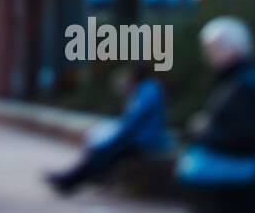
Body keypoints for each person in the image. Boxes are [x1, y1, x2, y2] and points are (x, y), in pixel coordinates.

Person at [177, 17, 255, 213]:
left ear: (233, 48)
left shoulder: (243, 84)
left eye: (213, 48)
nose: (208, 55)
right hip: (234, 180)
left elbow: (246, 134)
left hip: (235, 180)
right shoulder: (240, 81)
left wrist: (203, 132)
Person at [45, 62, 168, 194]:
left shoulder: (148, 90)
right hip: (138, 139)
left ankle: (71, 181)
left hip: (144, 142)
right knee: (103, 149)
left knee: (105, 151)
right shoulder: (147, 89)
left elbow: (134, 120)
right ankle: (73, 180)